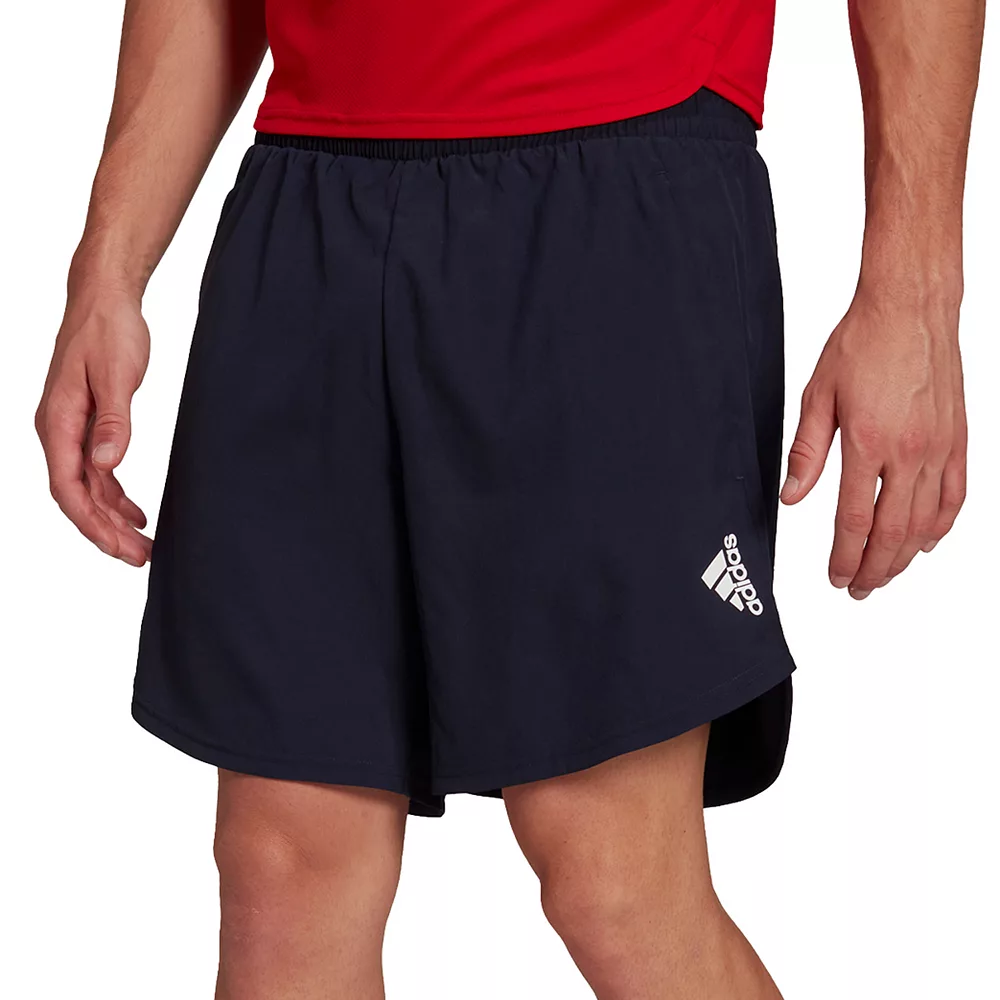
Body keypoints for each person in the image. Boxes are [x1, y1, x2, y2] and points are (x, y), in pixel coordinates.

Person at [35, 0, 983, 996]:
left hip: (613, 174)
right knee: (282, 874)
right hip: (309, 196)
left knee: (613, 871)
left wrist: (914, 294)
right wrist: (108, 270)